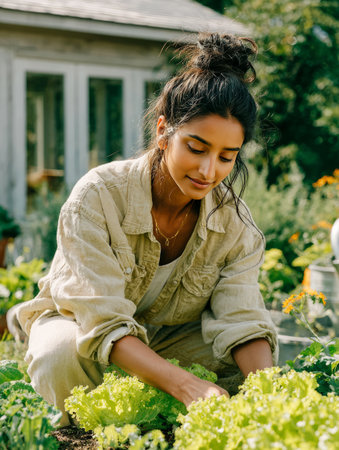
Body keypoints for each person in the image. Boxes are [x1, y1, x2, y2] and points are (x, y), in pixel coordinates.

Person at [9, 33, 278, 426]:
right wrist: (187, 386)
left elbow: (242, 320)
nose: (208, 171)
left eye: (226, 157)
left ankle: (151, 407)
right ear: (163, 130)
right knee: (60, 356)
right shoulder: (98, 196)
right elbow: (102, 322)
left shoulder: (235, 225)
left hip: (169, 339)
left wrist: (268, 393)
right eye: (197, 148)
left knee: (245, 366)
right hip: (81, 324)